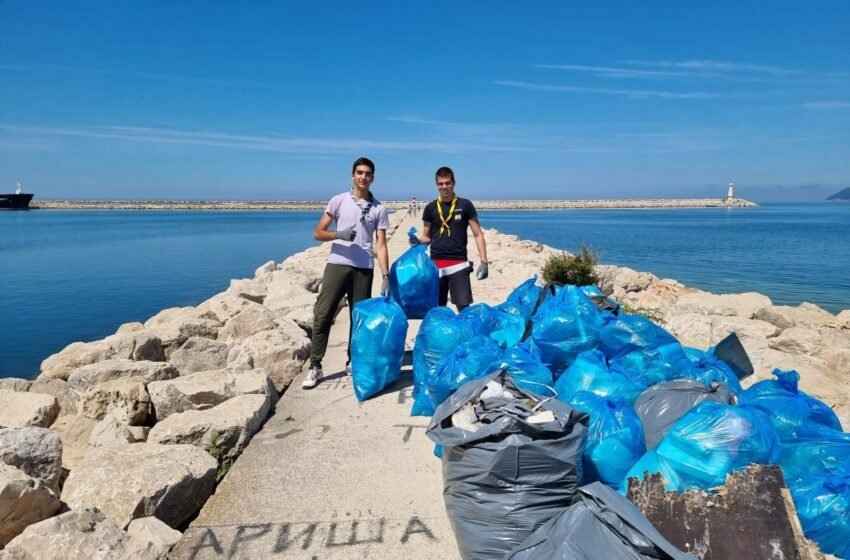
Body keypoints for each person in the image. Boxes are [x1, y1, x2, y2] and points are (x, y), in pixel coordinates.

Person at [303, 157, 390, 389]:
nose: (363, 177)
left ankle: (354, 361)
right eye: (360, 172)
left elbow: (381, 244)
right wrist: (338, 235)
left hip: (364, 268)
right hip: (338, 264)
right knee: (322, 314)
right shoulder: (338, 201)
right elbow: (318, 233)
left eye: (368, 173)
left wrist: (386, 275)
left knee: (359, 319)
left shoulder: (379, 208)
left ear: (373, 177)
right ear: (352, 175)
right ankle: (315, 366)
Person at [410, 166, 488, 311]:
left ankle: (465, 334)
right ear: (436, 185)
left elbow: (478, 234)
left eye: (447, 183)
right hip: (436, 265)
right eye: (441, 184)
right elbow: (426, 237)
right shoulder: (430, 208)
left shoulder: (465, 205)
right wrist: (417, 241)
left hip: (459, 264)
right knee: (436, 310)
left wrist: (484, 261)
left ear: (453, 183)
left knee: (464, 309)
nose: (444, 187)